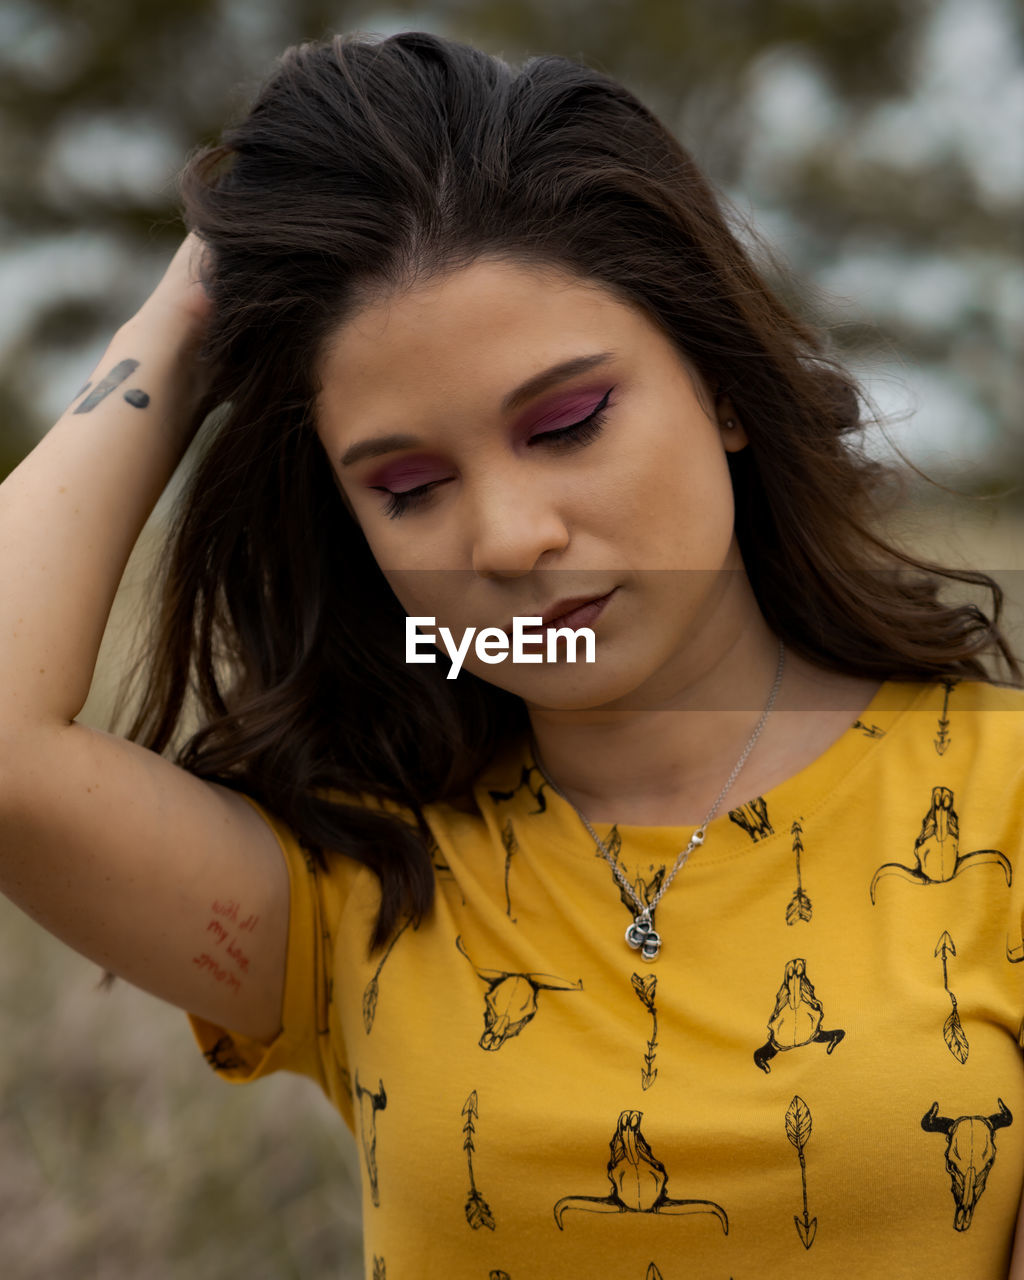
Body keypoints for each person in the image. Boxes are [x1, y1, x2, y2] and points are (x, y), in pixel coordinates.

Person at [0, 27, 1022, 1279]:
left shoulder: (998, 803)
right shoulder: (366, 878)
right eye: (410, 486)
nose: (510, 536)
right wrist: (192, 302)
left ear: (724, 390)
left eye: (569, 421)